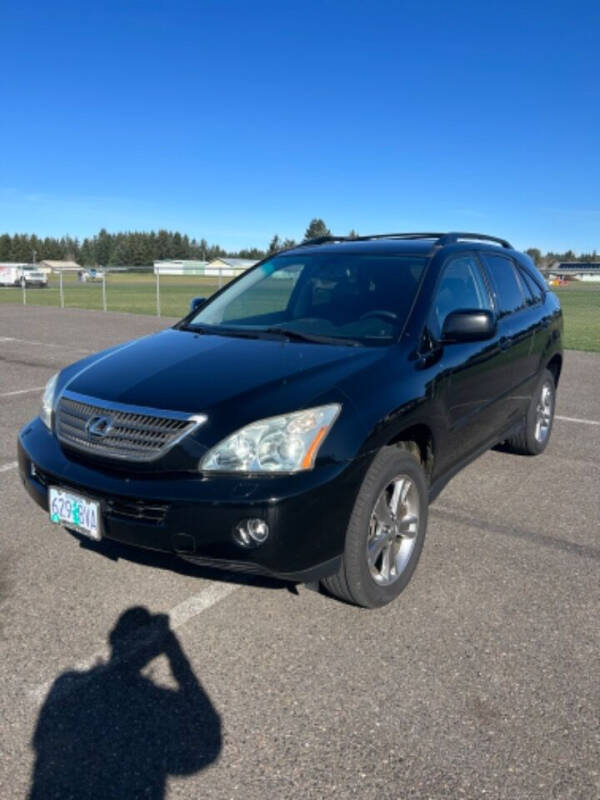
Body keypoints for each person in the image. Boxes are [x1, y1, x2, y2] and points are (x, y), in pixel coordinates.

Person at [29, 607, 221, 799]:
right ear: (156, 650)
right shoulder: (157, 704)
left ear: (112, 637)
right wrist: (175, 652)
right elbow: (207, 731)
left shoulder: (68, 684)